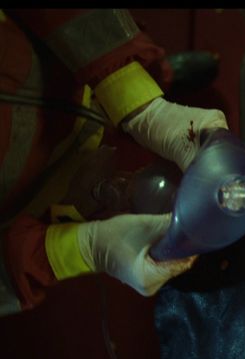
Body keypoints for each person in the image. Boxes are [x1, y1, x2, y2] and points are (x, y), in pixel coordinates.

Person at [0, 9, 227, 316]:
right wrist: (82, 249)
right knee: (105, 190)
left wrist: (142, 104)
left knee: (122, 79)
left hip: (52, 60)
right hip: (37, 189)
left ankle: (144, 78)